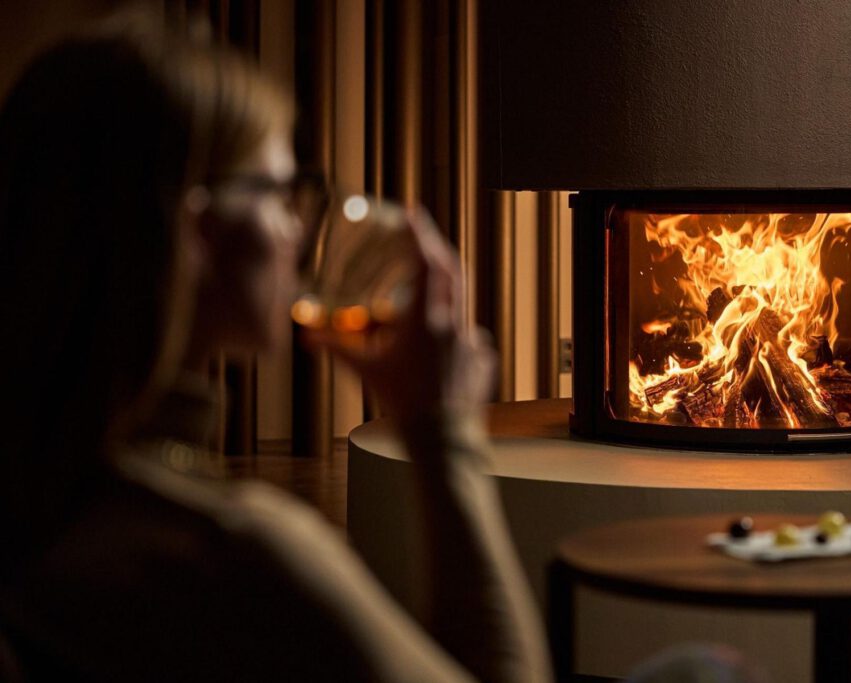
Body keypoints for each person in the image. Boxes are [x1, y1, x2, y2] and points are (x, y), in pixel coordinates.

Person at [0, 11, 551, 682]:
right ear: (194, 230)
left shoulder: (49, 494)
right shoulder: (235, 551)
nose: (299, 227)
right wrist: (446, 434)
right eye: (279, 191)